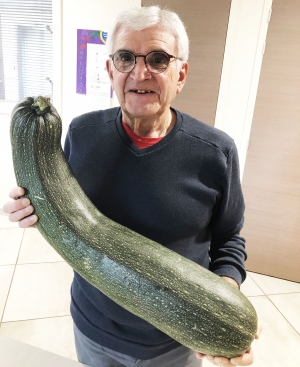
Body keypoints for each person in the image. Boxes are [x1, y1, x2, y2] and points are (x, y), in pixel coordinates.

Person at [3, 6, 261, 367]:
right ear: (111, 70)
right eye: (125, 57)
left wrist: (223, 302)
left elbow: (229, 237)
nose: (140, 71)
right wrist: (30, 205)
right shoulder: (80, 133)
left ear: (180, 74)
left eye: (158, 59)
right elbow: (60, 207)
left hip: (176, 341)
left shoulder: (216, 152)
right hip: (92, 328)